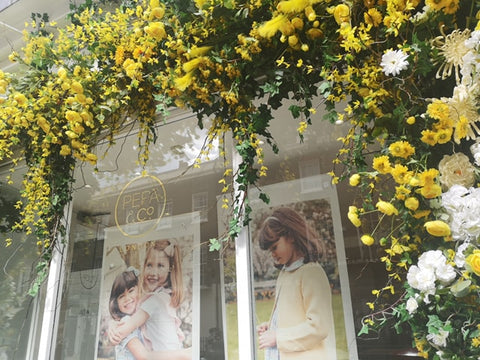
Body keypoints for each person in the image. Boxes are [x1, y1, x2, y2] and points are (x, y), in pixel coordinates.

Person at [256, 207, 336, 360]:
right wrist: (272, 326)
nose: (273, 254)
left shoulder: (311, 273)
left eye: (275, 247)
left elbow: (319, 327)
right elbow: (292, 315)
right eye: (269, 250)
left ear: (291, 236)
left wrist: (278, 337)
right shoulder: (285, 274)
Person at [109, 239, 185, 352]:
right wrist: (113, 322)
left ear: (170, 270)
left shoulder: (155, 301)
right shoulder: (164, 296)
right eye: (149, 265)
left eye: (160, 266)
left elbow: (126, 328)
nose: (153, 272)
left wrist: (114, 328)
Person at [108, 269, 191, 360]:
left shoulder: (139, 322)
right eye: (121, 296)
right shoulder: (125, 322)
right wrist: (185, 353)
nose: (127, 298)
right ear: (116, 303)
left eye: (131, 291)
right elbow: (144, 357)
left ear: (139, 289)